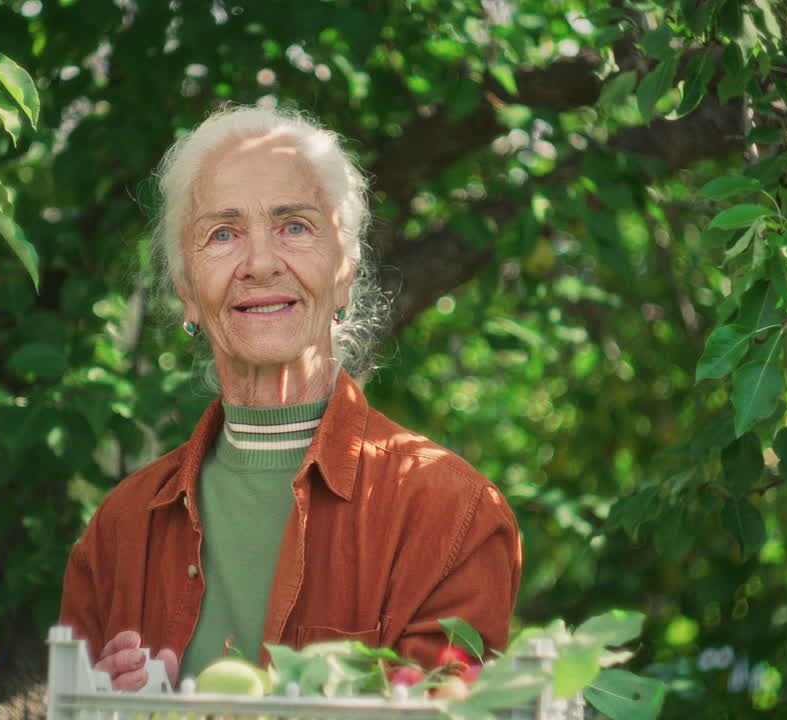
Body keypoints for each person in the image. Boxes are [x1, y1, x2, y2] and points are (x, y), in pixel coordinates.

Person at [58, 104, 522, 691]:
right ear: (188, 295)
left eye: (294, 226)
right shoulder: (118, 532)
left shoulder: (453, 515)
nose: (258, 264)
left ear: (346, 271)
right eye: (222, 234)